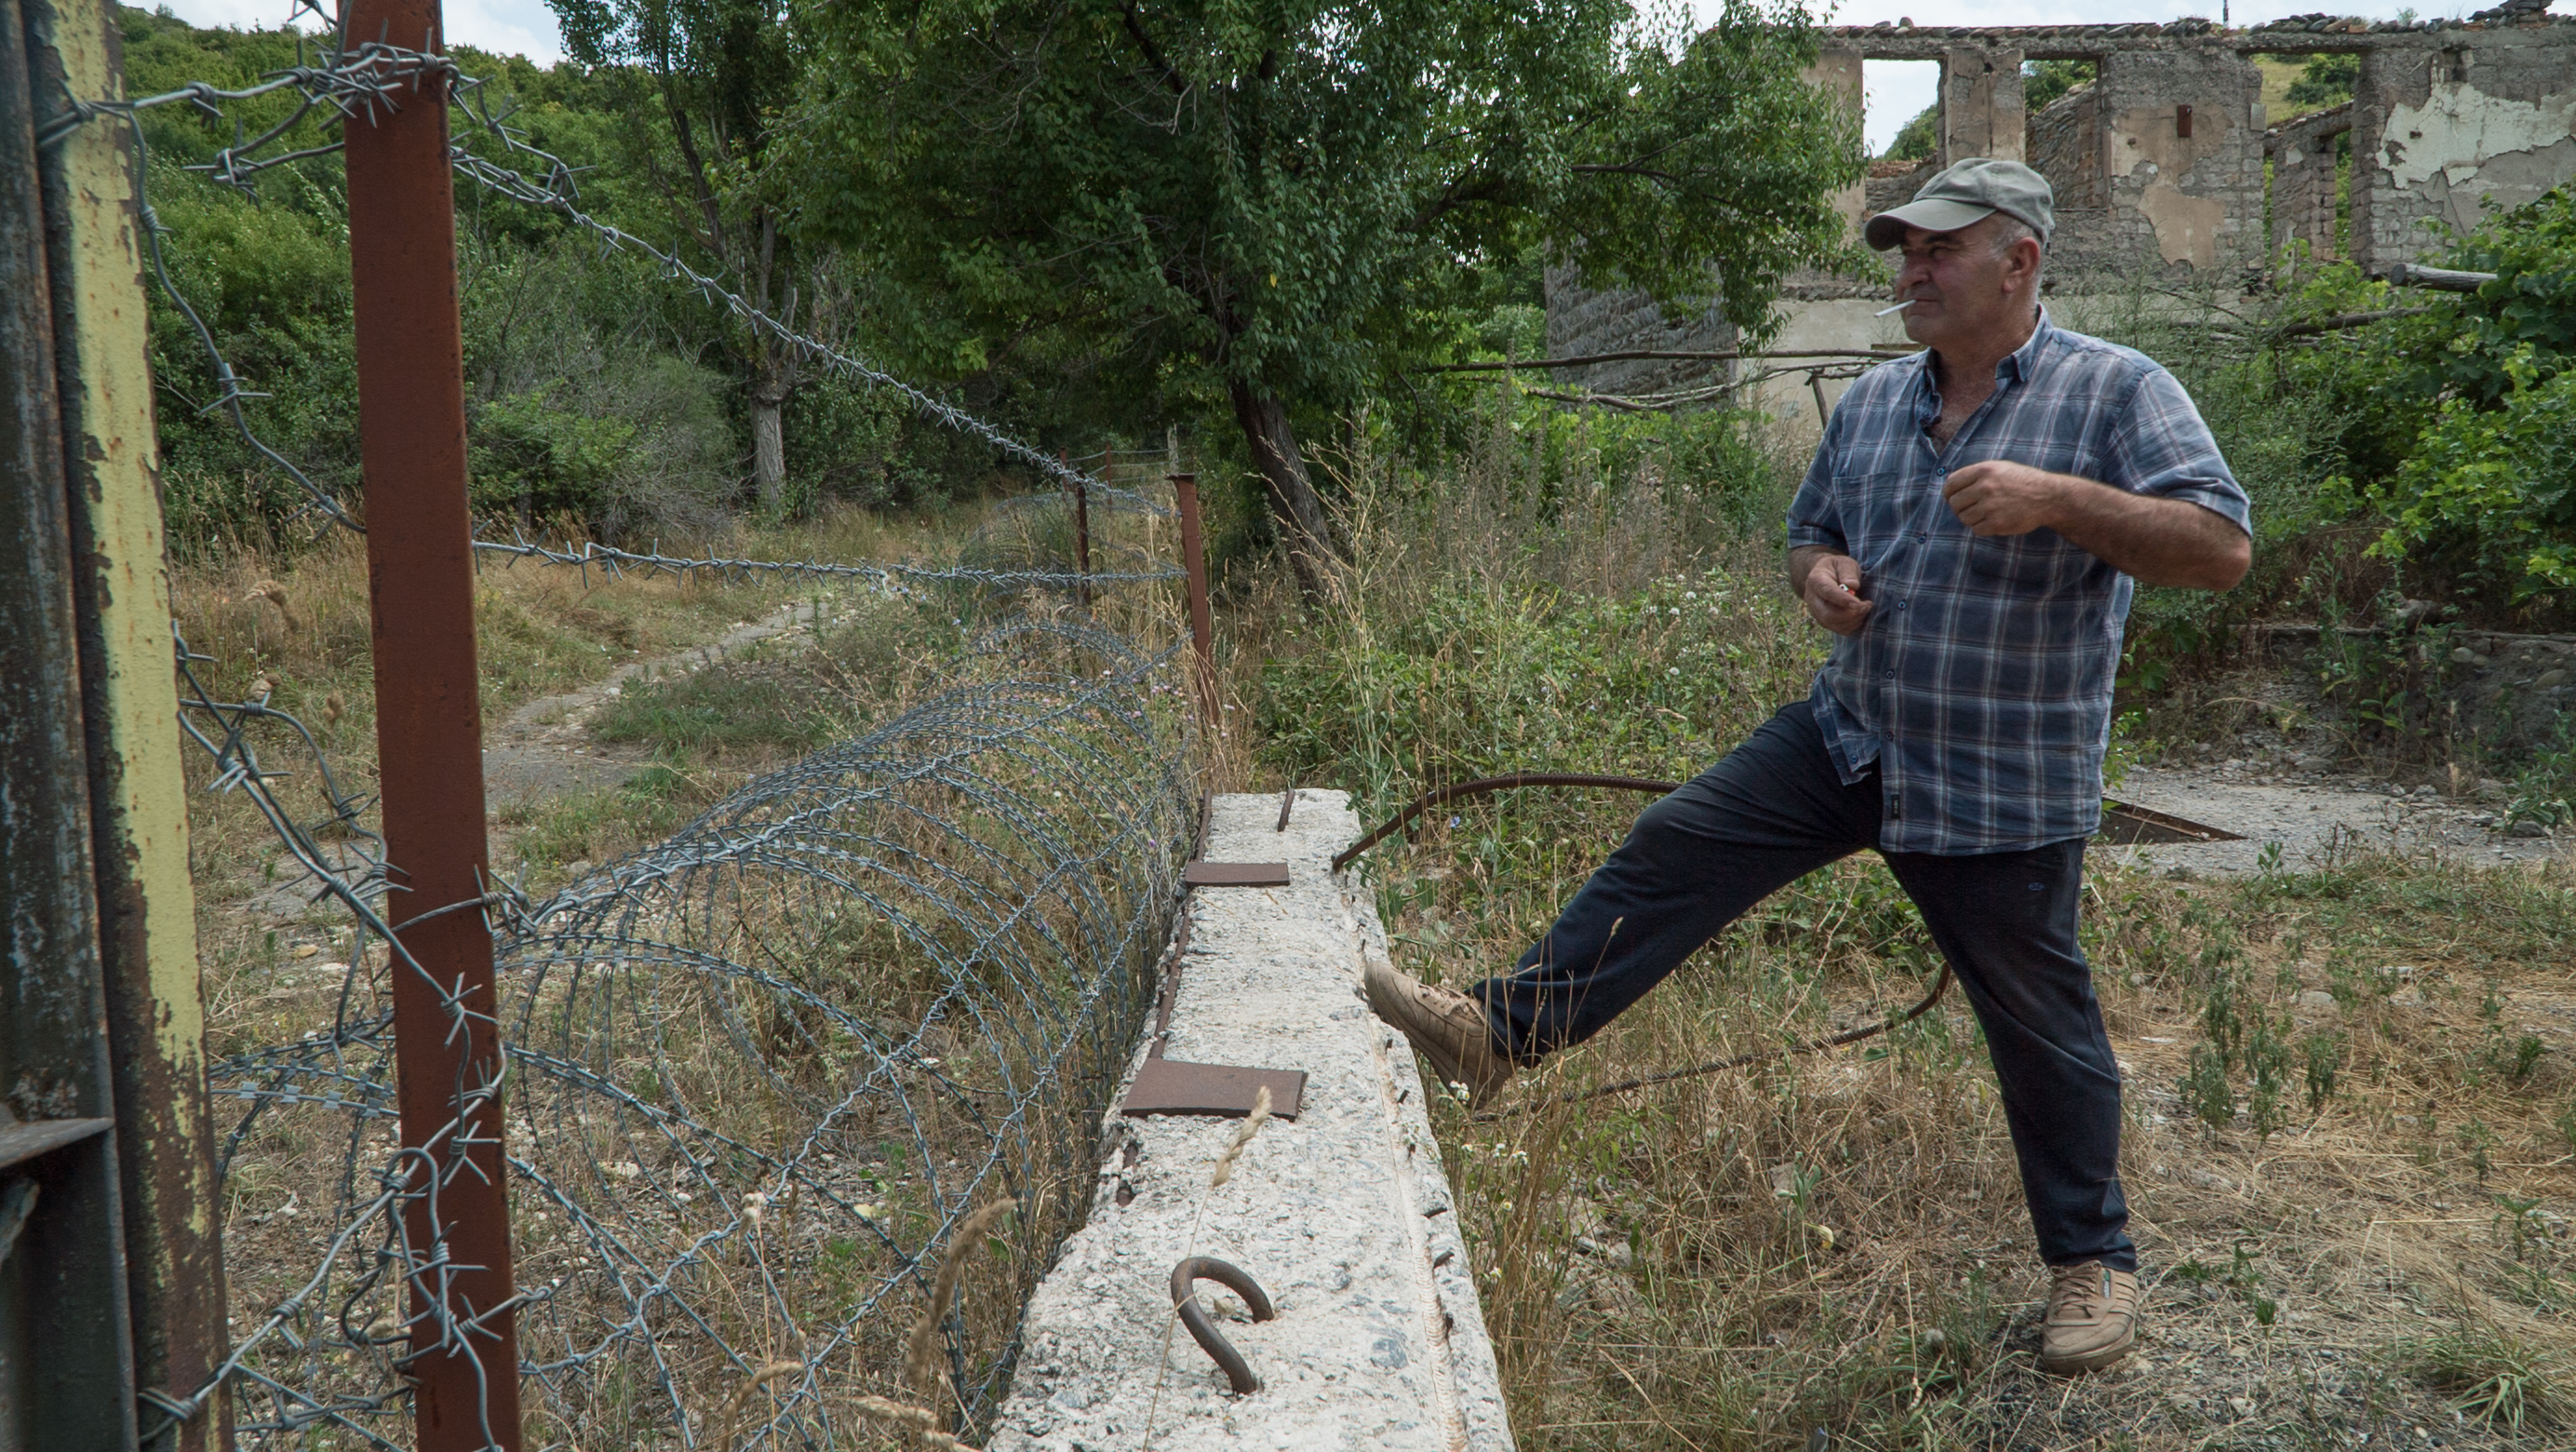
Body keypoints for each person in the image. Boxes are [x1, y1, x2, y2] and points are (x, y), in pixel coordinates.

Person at [1362, 157, 2251, 1377]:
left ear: (2020, 262)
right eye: (1904, 250)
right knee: (1678, 841)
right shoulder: (1884, 398)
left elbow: (2219, 548)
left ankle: (2092, 1266)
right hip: (1848, 736)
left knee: (2041, 1028)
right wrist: (1816, 577)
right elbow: (1811, 527)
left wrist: (2057, 498)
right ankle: (1498, 1036)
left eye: (1939, 249)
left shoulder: (2117, 392)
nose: (1912, 269)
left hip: (2000, 776)